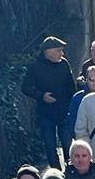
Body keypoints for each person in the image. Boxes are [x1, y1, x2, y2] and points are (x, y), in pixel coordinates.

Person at [22, 36, 76, 166]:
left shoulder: (64, 64)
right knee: (50, 145)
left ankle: (71, 170)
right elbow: (26, 87)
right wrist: (41, 96)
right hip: (46, 113)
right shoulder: (35, 67)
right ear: (49, 51)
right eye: (59, 50)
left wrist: (72, 105)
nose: (61, 54)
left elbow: (70, 85)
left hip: (64, 111)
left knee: (68, 144)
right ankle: (55, 172)